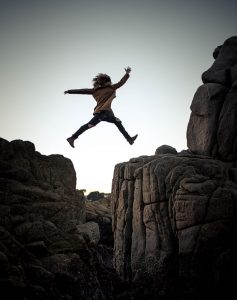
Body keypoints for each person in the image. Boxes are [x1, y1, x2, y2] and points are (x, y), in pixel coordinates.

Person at [64, 67, 138, 148]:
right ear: (106, 81)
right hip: (101, 113)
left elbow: (81, 91)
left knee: (118, 122)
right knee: (90, 124)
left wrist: (69, 91)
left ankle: (129, 139)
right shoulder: (110, 88)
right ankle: (72, 138)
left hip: (107, 113)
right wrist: (127, 73)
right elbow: (121, 82)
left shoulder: (94, 90)